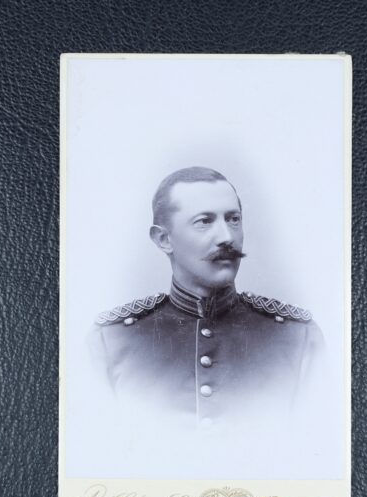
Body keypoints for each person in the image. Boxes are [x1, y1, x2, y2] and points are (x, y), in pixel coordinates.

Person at [93, 167, 324, 429]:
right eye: (204, 221)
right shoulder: (108, 342)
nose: (227, 237)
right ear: (163, 239)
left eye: (233, 219)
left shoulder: (299, 339)